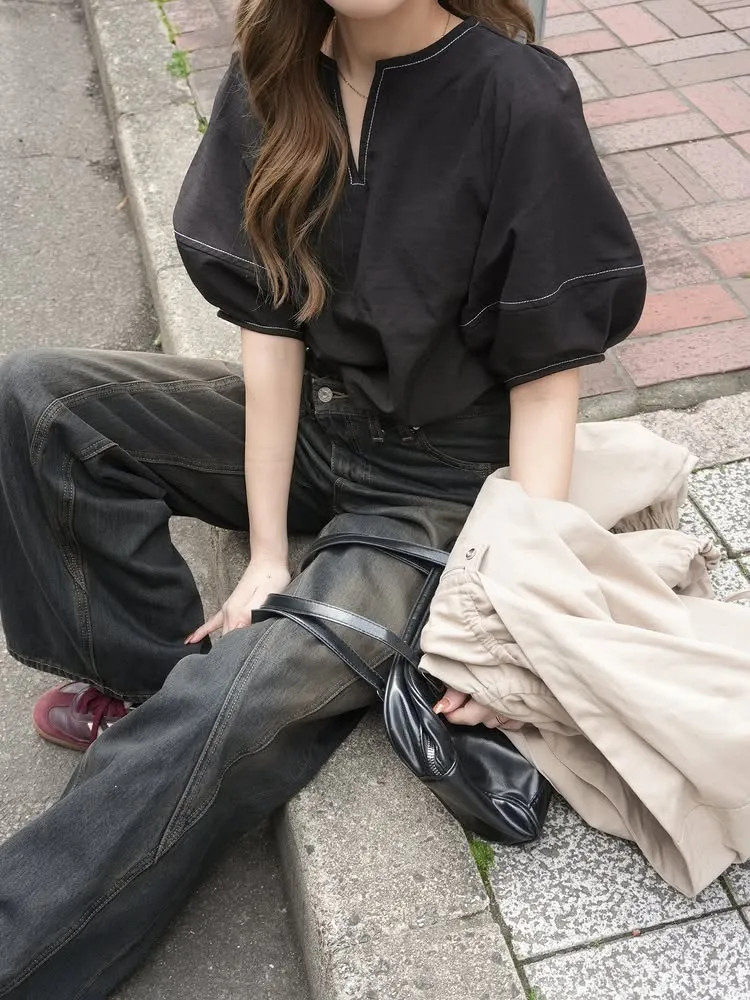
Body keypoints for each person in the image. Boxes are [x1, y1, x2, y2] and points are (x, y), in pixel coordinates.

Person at [0, 0, 646, 996]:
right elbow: (271, 327)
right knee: (42, 399)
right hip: (319, 427)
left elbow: (546, 378)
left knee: (235, 702)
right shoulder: (279, 63)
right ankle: (148, 680)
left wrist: (513, 614)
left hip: (442, 483)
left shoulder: (515, 96)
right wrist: (266, 552)